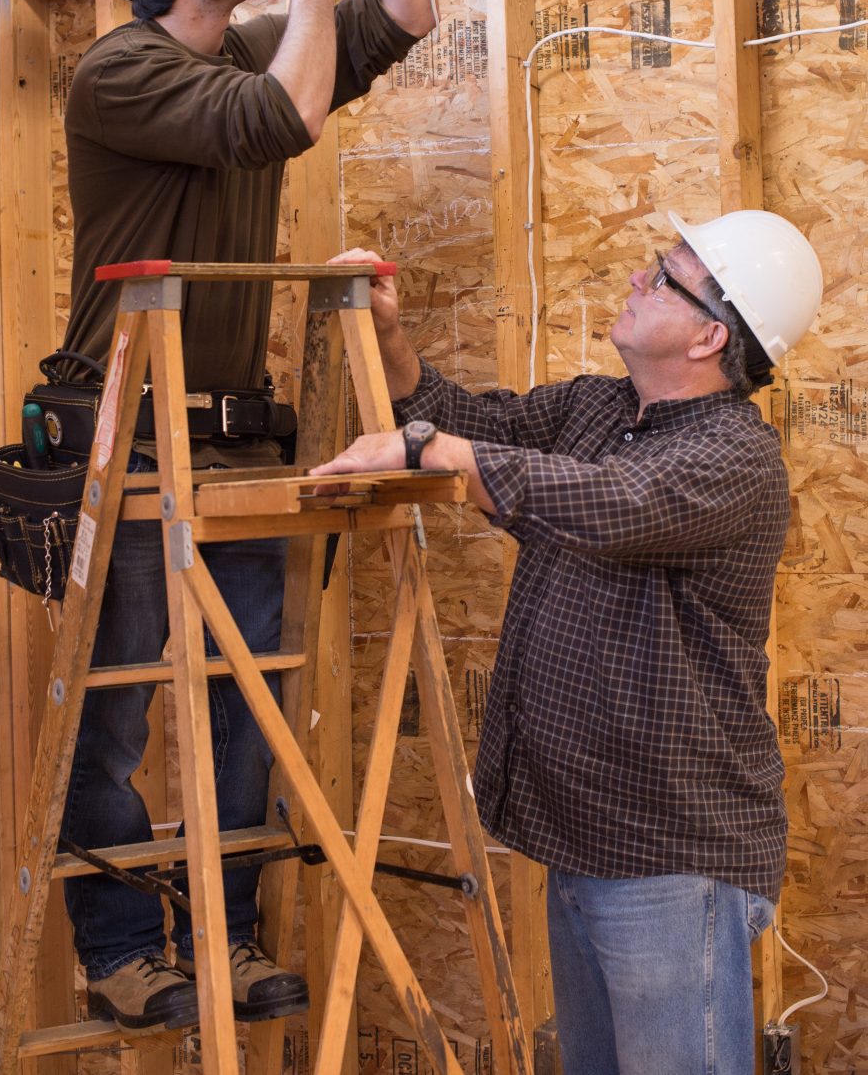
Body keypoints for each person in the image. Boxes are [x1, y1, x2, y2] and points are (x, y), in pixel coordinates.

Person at [60, 0, 438, 1035]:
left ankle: (223, 933)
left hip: (231, 440)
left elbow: (415, 8)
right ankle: (123, 950)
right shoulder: (118, 74)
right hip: (123, 438)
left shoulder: (254, 48)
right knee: (117, 709)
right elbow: (284, 119)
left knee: (245, 698)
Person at [310, 210, 823, 1075]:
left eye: (665, 276)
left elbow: (611, 504)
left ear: (708, 335)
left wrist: (436, 449)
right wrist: (393, 344)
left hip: (671, 855)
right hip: (584, 839)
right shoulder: (598, 408)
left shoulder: (733, 457)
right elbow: (460, 420)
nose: (637, 278)